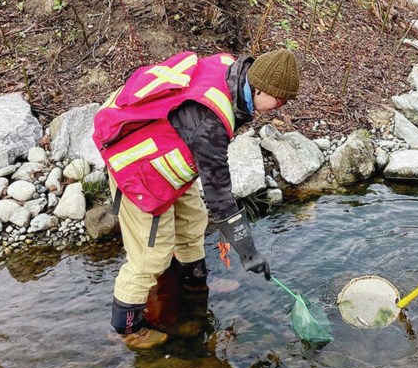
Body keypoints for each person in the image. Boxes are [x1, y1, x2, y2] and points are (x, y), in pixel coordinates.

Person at [92, 48, 300, 350]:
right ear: (260, 87)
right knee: (151, 256)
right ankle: (125, 328)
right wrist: (248, 253)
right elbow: (220, 196)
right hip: (139, 170)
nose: (279, 107)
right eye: (279, 101)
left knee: (192, 222)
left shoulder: (233, 70)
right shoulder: (211, 122)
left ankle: (195, 285)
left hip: (169, 157)